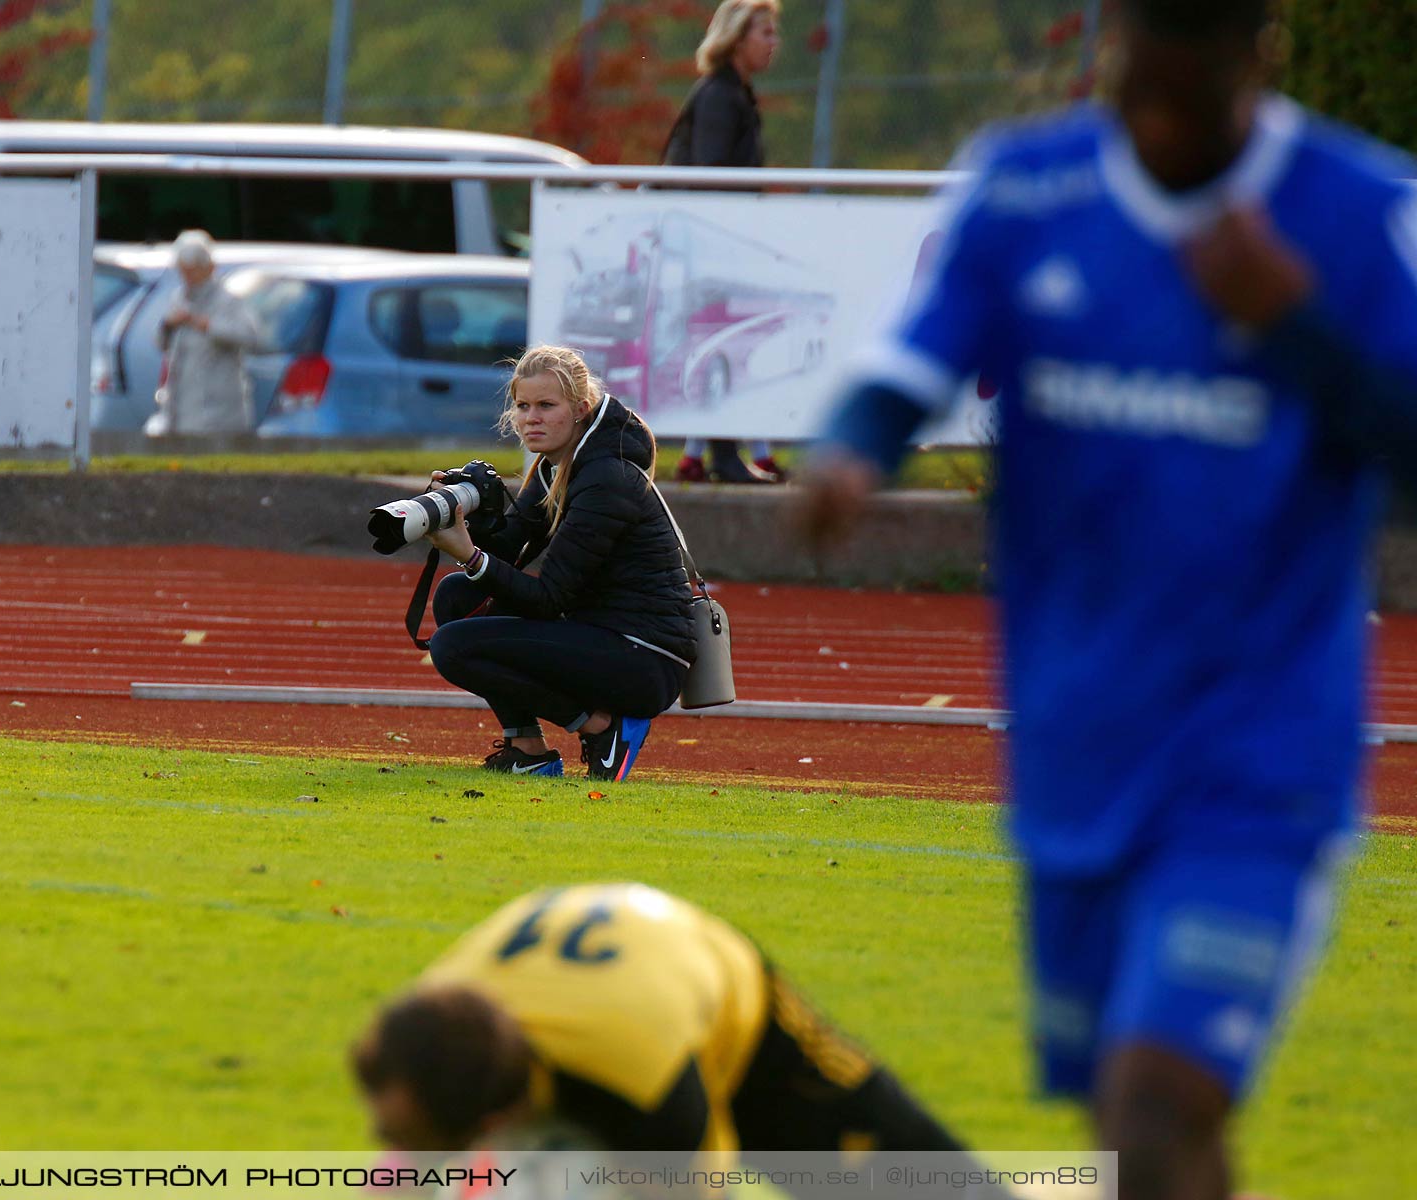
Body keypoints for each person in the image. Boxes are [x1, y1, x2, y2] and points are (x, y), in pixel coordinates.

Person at [792, 2, 1417, 1197]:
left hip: (1256, 754)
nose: (1160, 121)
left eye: (1193, 92)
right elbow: (907, 363)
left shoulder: (1356, 208)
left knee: (1155, 1101)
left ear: (1258, 55)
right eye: (1141, 82)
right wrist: (849, 453)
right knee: (1141, 1135)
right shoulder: (1027, 187)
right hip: (1079, 740)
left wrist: (1292, 324)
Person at [353, 883, 983, 1175]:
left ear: (491, 1123)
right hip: (591, 977)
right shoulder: (415, 1035)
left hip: (724, 996)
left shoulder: (646, 1088)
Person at [421, 345, 694, 782]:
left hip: (643, 656)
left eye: (547, 406)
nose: (531, 418)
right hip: (598, 634)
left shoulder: (608, 477)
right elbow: (507, 552)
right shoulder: (557, 467)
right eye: (523, 406)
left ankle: (604, 727)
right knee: (459, 594)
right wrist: (461, 511)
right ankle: (528, 751)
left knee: (452, 646)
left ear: (580, 409)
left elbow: (548, 598)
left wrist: (468, 554)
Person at [663, 0, 785, 486]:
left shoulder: (733, 94)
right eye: (766, 33)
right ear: (737, 39)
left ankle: (719, 453)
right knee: (722, 342)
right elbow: (711, 177)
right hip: (709, 245)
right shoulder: (720, 95)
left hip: (717, 243)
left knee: (727, 342)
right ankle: (723, 455)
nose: (774, 43)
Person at [149, 229, 259, 436]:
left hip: (220, 413)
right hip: (181, 410)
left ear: (209, 268)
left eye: (193, 271)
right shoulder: (178, 298)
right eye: (183, 271)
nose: (188, 278)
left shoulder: (228, 301)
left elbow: (250, 336)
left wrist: (208, 325)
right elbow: (159, 342)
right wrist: (168, 324)